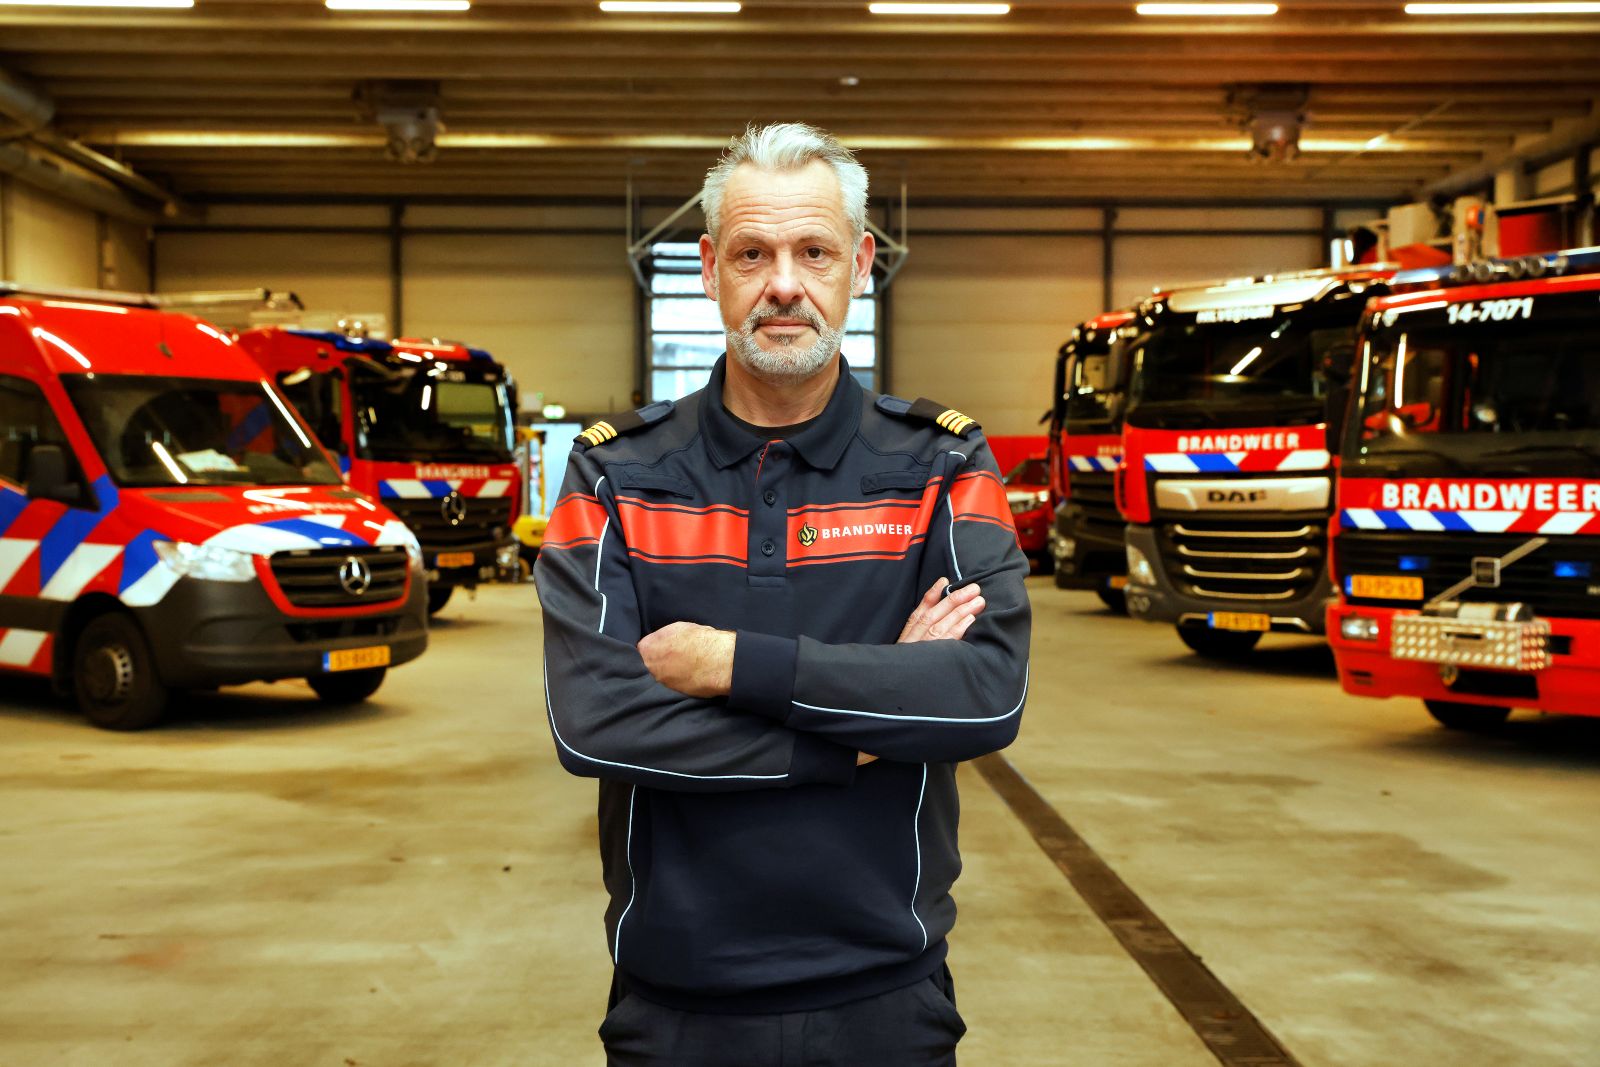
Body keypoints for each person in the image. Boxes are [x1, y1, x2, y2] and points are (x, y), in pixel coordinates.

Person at [535, 122, 1032, 1067]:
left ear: (861, 265)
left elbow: (985, 692)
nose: (784, 285)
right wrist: (866, 730)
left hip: (887, 995)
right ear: (708, 268)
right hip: (675, 1003)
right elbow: (594, 722)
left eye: (815, 252)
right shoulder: (613, 476)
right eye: (752, 254)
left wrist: (729, 664)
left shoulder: (943, 462)